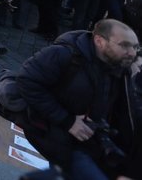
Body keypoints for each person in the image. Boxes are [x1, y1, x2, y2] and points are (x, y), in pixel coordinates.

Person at [15, 19, 142, 179]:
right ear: (99, 41)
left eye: (136, 47)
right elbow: (27, 81)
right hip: (60, 135)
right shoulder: (64, 54)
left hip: (93, 138)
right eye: (124, 45)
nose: (132, 52)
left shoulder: (120, 67)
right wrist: (67, 120)